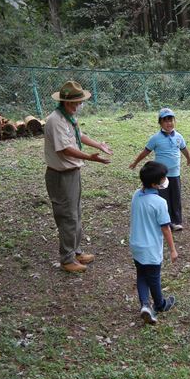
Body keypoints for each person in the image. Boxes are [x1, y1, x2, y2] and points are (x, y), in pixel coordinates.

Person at [44, 80, 113, 273]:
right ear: (64, 102)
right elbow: (66, 149)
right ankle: (67, 259)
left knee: (76, 214)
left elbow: (78, 135)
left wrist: (98, 145)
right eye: (74, 103)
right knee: (67, 216)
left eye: (79, 102)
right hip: (60, 175)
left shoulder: (68, 117)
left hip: (72, 172)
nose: (77, 106)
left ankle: (76, 251)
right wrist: (91, 158)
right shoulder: (55, 120)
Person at [129, 161, 178, 325]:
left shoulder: (137, 194)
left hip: (136, 245)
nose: (165, 180)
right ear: (154, 183)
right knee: (154, 277)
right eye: (163, 178)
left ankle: (144, 305)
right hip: (151, 248)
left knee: (141, 275)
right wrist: (172, 250)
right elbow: (165, 228)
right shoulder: (159, 203)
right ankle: (160, 304)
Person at [129, 108, 190, 231]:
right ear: (160, 123)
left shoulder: (179, 137)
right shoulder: (155, 138)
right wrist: (136, 162)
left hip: (175, 173)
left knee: (176, 197)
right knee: (163, 197)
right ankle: (165, 221)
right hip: (161, 175)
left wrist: (188, 159)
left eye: (171, 120)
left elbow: (184, 149)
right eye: (165, 120)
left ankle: (177, 221)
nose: (169, 123)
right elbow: (146, 151)